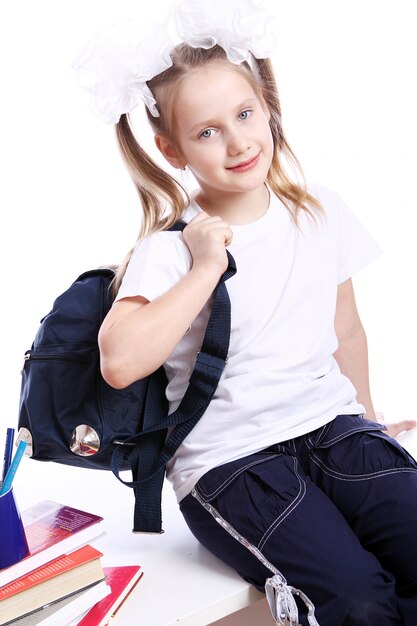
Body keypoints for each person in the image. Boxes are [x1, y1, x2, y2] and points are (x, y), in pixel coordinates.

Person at [74, 1, 417, 624]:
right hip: (233, 461)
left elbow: (345, 330)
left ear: (269, 110)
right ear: (172, 150)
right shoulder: (171, 249)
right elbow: (119, 362)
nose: (237, 142)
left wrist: (370, 420)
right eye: (207, 131)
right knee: (359, 600)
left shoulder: (319, 210)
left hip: (333, 430)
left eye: (244, 114)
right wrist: (204, 267)